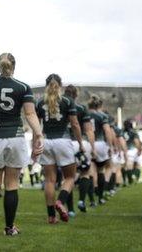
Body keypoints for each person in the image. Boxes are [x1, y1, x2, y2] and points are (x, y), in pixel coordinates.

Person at [0, 53, 43, 239]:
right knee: (12, 184)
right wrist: (38, 134)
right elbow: (30, 114)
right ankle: (9, 228)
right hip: (15, 137)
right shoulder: (23, 87)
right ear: (14, 66)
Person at [36, 74, 81, 224]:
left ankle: (51, 216)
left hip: (47, 141)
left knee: (49, 180)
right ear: (60, 85)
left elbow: (37, 127)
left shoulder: (40, 102)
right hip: (63, 141)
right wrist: (80, 142)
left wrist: (35, 145)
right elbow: (74, 124)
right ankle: (61, 202)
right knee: (70, 177)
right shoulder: (68, 101)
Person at [63, 85, 95, 213]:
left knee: (68, 177)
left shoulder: (61, 106)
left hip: (65, 142)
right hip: (79, 142)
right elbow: (89, 130)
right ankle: (81, 200)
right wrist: (92, 148)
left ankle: (70, 210)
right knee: (85, 173)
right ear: (76, 95)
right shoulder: (82, 108)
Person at [88, 95, 115, 205]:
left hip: (88, 143)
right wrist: (110, 146)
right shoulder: (103, 116)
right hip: (100, 143)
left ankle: (91, 198)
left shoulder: (85, 114)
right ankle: (100, 197)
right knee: (100, 171)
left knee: (89, 171)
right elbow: (107, 132)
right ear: (100, 105)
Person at [122, 119, 142, 185]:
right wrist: (139, 149)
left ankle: (127, 180)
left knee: (127, 166)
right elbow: (136, 141)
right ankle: (135, 179)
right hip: (133, 149)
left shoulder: (122, 132)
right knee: (137, 165)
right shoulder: (133, 132)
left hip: (125, 150)